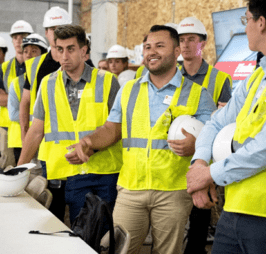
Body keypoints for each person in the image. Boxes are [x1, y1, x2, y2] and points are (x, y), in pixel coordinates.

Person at [66, 25, 216, 254]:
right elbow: (111, 129)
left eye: (159, 46)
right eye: (147, 47)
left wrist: (196, 145)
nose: (151, 52)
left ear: (177, 51)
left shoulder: (198, 94)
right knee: (118, 249)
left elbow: (210, 137)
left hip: (173, 191)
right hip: (131, 188)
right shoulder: (128, 90)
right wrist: (88, 142)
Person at [186, 0, 266, 253]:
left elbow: (262, 149)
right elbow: (216, 122)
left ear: (261, 23)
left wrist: (209, 174)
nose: (247, 27)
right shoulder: (256, 78)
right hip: (234, 209)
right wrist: (199, 163)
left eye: (246, 20)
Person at [17, 25, 122, 226]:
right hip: (62, 170)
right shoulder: (47, 84)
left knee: (100, 234)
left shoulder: (108, 81)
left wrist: (91, 147)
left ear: (84, 51)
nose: (64, 55)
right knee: (70, 230)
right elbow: (37, 130)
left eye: (71, 49)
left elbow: (117, 129)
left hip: (103, 171)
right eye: (59, 49)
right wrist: (20, 170)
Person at [177, 17, 232, 254]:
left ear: (204, 42)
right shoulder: (170, 76)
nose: (186, 45)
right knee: (175, 227)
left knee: (199, 224)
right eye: (181, 40)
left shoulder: (220, 79)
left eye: (192, 39)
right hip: (173, 163)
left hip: (203, 163)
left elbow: (228, 125)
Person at [19, 6, 71, 221]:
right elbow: (26, 105)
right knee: (52, 210)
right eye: (51, 29)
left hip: (78, 150)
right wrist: (26, 140)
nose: (55, 32)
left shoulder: (84, 63)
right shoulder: (38, 65)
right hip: (47, 149)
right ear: (46, 32)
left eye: (60, 28)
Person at [7, 34, 48, 164]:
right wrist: (39, 118)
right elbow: (13, 114)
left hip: (48, 139)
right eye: (25, 51)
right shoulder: (16, 83)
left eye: (34, 51)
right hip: (22, 141)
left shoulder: (53, 79)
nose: (29, 55)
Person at [0, 20, 33, 168]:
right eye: (15, 37)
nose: (19, 40)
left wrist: (12, 99)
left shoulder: (40, 66)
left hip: (35, 129)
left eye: (23, 36)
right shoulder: (4, 68)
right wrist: (26, 102)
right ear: (12, 41)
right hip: (9, 130)